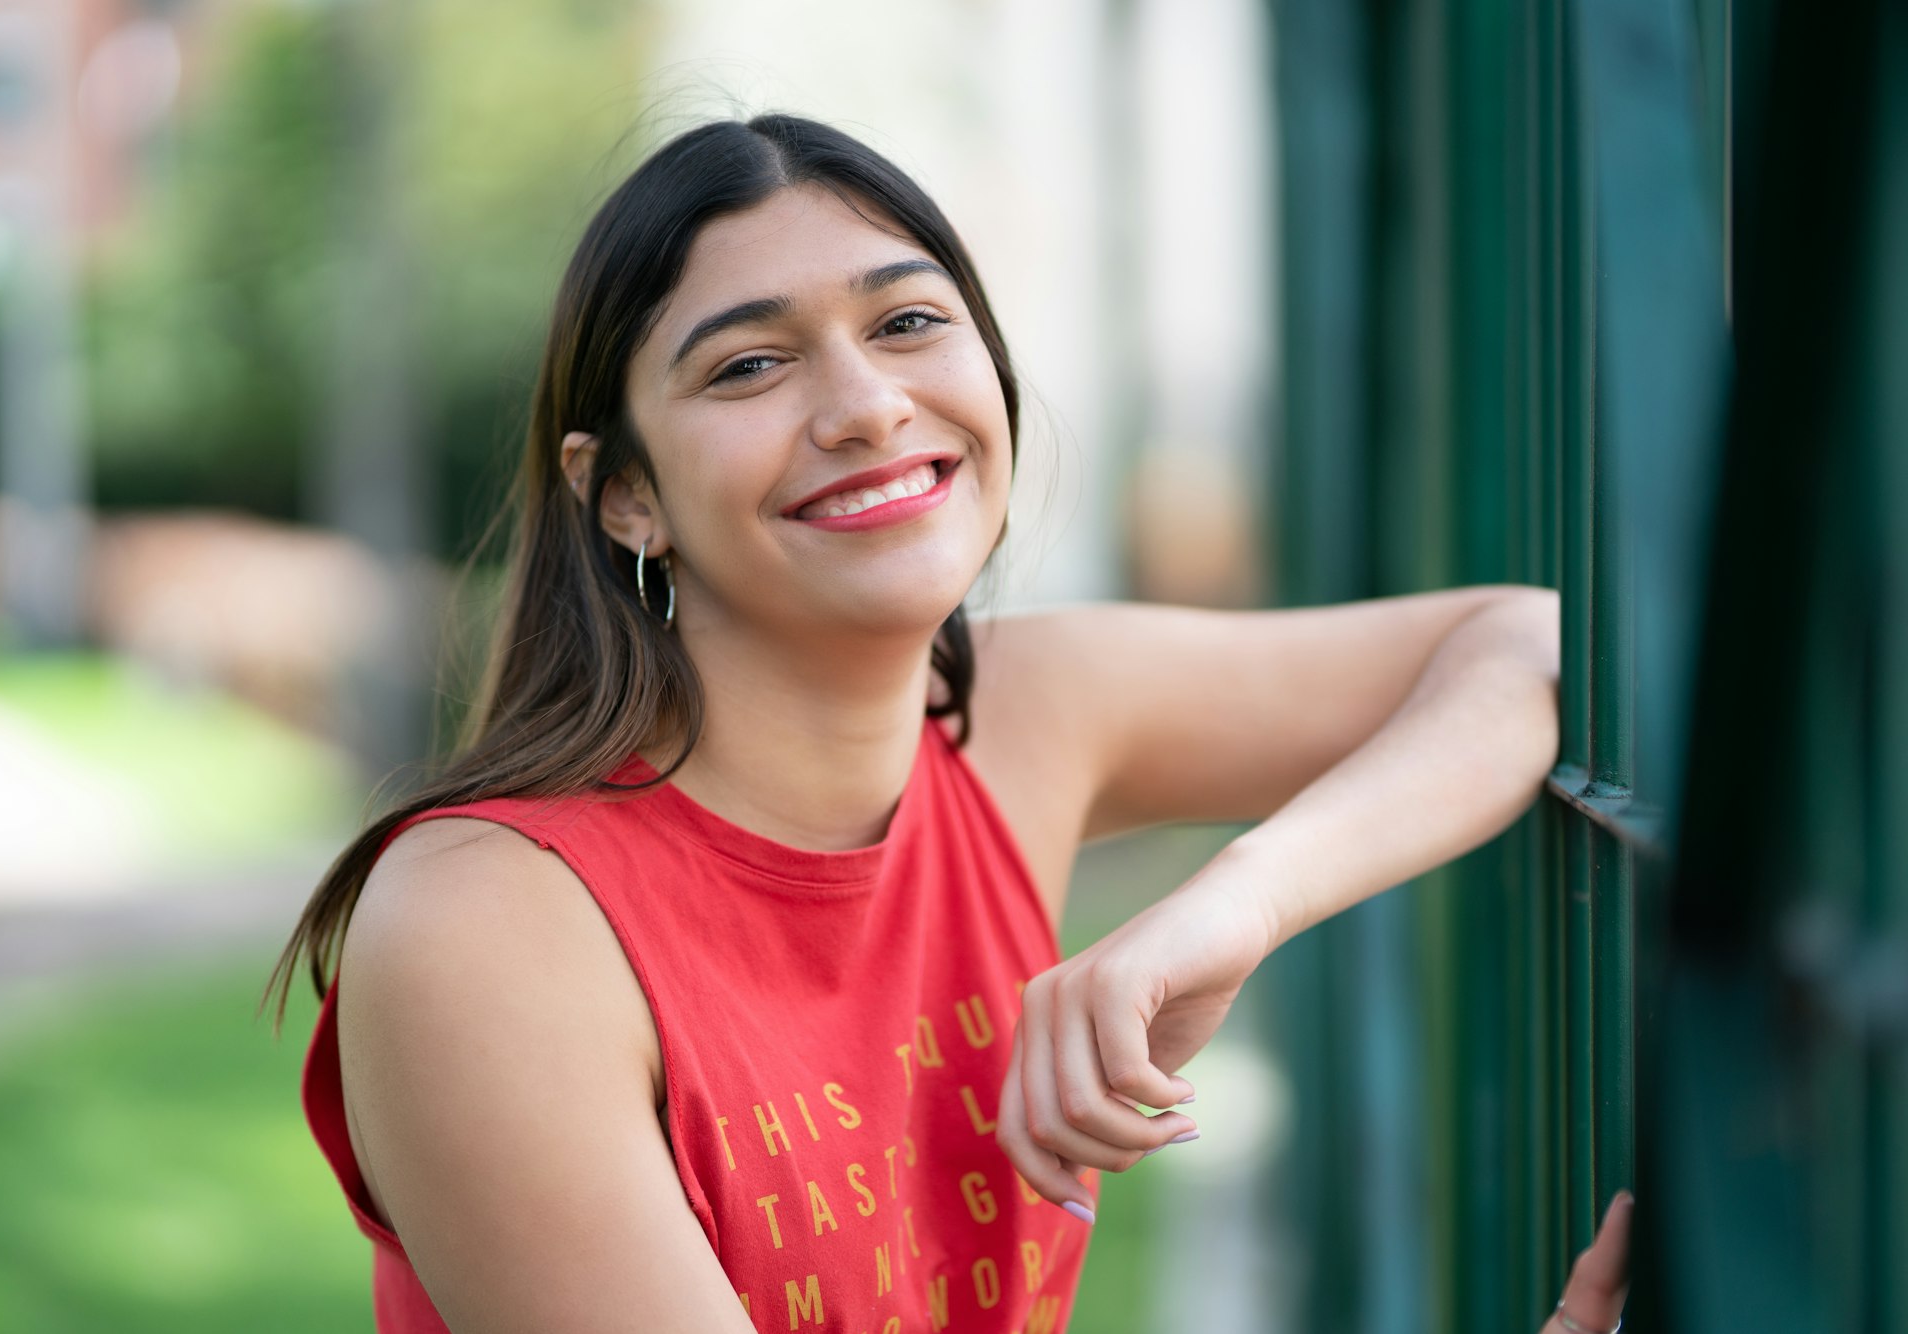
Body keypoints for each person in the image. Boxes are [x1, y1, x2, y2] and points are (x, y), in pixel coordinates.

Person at [266, 112, 1617, 1334]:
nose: (864, 405)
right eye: (748, 366)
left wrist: (1238, 902)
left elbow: (1537, 646)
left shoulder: (1021, 720)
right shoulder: (487, 921)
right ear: (625, 492)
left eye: (909, 322)